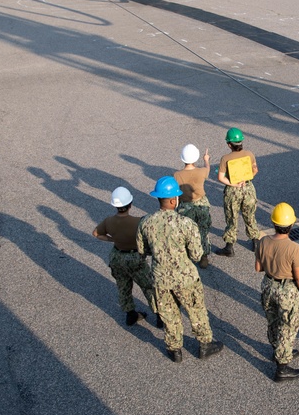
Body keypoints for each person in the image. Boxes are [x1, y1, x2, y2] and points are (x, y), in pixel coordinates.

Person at [137, 177, 223, 363]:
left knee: (169, 313)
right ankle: (204, 345)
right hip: (185, 278)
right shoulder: (186, 224)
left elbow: (142, 251)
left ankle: (175, 349)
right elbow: (196, 255)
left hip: (160, 279)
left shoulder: (145, 223)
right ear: (172, 200)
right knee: (196, 310)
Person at [255, 202, 299, 382]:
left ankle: (278, 350)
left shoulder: (263, 241)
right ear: (291, 225)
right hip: (287, 290)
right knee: (287, 326)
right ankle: (282, 368)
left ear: (274, 223)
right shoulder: (294, 248)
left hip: (268, 286)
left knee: (273, 321)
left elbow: (258, 267)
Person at [92, 187, 161, 328]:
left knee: (123, 286)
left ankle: (130, 314)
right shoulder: (138, 222)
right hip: (135, 257)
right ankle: (159, 316)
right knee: (148, 286)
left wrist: (113, 240)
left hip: (117, 257)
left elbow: (96, 233)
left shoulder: (108, 221)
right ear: (130, 204)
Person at [216, 127, 261, 256]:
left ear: (229, 144)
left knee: (231, 218)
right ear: (241, 141)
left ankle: (229, 247)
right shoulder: (249, 154)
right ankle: (255, 242)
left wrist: (234, 183)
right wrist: (245, 179)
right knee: (250, 215)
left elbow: (220, 177)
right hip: (248, 188)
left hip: (233, 191)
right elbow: (255, 170)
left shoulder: (225, 158)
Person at [174, 144, 212, 269]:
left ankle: (188, 255)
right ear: (195, 158)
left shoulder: (177, 175)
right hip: (201, 204)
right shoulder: (201, 171)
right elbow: (207, 169)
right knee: (203, 230)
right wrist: (206, 160)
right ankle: (204, 256)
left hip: (185, 206)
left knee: (187, 232)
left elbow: (176, 194)